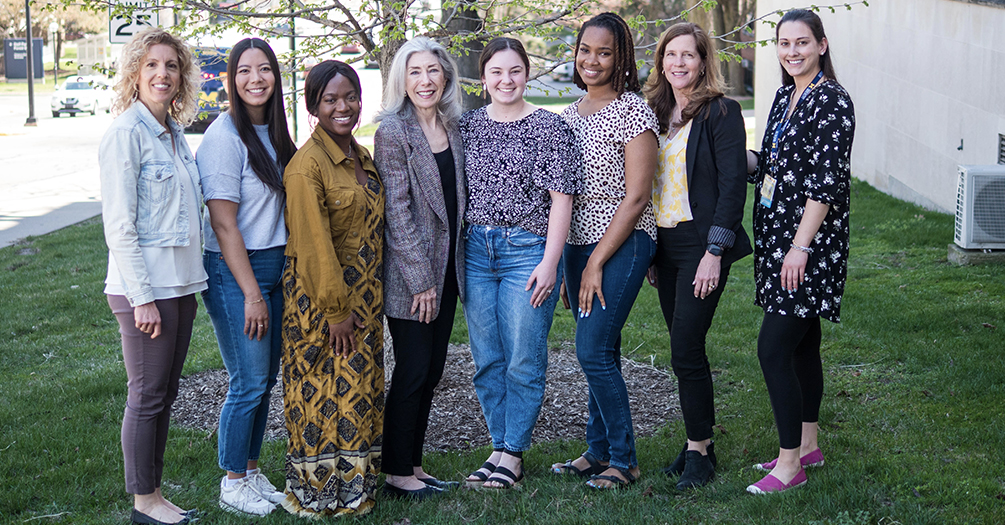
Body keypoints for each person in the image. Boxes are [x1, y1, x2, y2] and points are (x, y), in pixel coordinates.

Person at [460, 37, 582, 490]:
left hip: (526, 250)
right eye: (496, 72)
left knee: (523, 357)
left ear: (526, 74)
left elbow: (562, 201)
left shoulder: (549, 126)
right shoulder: (468, 127)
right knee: (487, 358)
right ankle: (498, 444)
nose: (505, 80)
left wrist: (552, 263)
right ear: (484, 77)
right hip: (476, 252)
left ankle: (513, 453)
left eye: (514, 71)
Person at [744, 9, 855, 494]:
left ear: (822, 46)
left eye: (802, 43)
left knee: (774, 349)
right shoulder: (786, 95)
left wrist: (800, 247)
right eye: (784, 44)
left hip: (807, 246)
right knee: (803, 344)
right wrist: (734, 154)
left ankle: (790, 466)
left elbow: (827, 183)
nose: (792, 52)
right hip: (779, 240)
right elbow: (769, 161)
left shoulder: (831, 99)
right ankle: (808, 444)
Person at [98, 27, 205, 525]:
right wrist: (141, 298)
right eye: (151, 65)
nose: (162, 74)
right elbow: (119, 227)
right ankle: (144, 502)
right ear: (135, 75)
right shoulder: (125, 134)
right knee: (146, 394)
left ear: (182, 75)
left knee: (166, 392)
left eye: (171, 65)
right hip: (145, 290)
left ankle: (155, 492)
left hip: (181, 285)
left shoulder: (175, 135)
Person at [640, 22, 751, 490]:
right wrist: (646, 248)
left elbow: (732, 187)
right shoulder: (652, 112)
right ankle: (694, 445)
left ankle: (701, 453)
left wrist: (714, 252)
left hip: (701, 245)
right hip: (662, 246)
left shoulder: (721, 112)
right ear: (661, 60)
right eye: (670, 55)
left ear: (704, 61)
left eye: (688, 55)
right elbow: (645, 186)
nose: (678, 63)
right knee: (681, 347)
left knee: (686, 347)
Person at [551, 12, 658, 490]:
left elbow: (637, 197)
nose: (591, 60)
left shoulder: (633, 111)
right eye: (585, 50)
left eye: (604, 53)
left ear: (621, 60)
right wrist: (563, 262)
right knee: (603, 349)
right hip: (576, 245)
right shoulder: (570, 114)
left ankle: (624, 460)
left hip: (623, 242)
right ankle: (597, 452)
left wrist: (595, 262)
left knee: (591, 349)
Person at [197, 38, 297, 516]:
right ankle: (232, 480)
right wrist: (252, 294)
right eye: (244, 71)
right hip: (238, 273)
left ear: (276, 77)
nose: (255, 79)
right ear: (231, 80)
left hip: (273, 268)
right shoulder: (224, 137)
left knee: (265, 378)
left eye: (264, 70)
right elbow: (223, 223)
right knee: (248, 381)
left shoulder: (274, 131)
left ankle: (252, 472)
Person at [280, 60, 385, 516]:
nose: (343, 107)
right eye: (330, 100)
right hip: (324, 304)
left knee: (359, 391)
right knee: (324, 393)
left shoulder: (361, 156)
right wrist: (336, 311)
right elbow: (313, 246)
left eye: (350, 97)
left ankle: (356, 490)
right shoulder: (307, 166)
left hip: (364, 300)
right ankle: (321, 495)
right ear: (313, 108)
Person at [373, 37, 466, 500]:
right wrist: (422, 280)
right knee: (412, 370)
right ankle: (396, 473)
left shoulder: (453, 127)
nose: (424, 81)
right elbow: (397, 211)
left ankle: (413, 461)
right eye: (414, 73)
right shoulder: (394, 131)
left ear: (445, 75)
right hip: (414, 279)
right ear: (401, 81)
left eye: (432, 71)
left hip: (450, 272)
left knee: (431, 371)